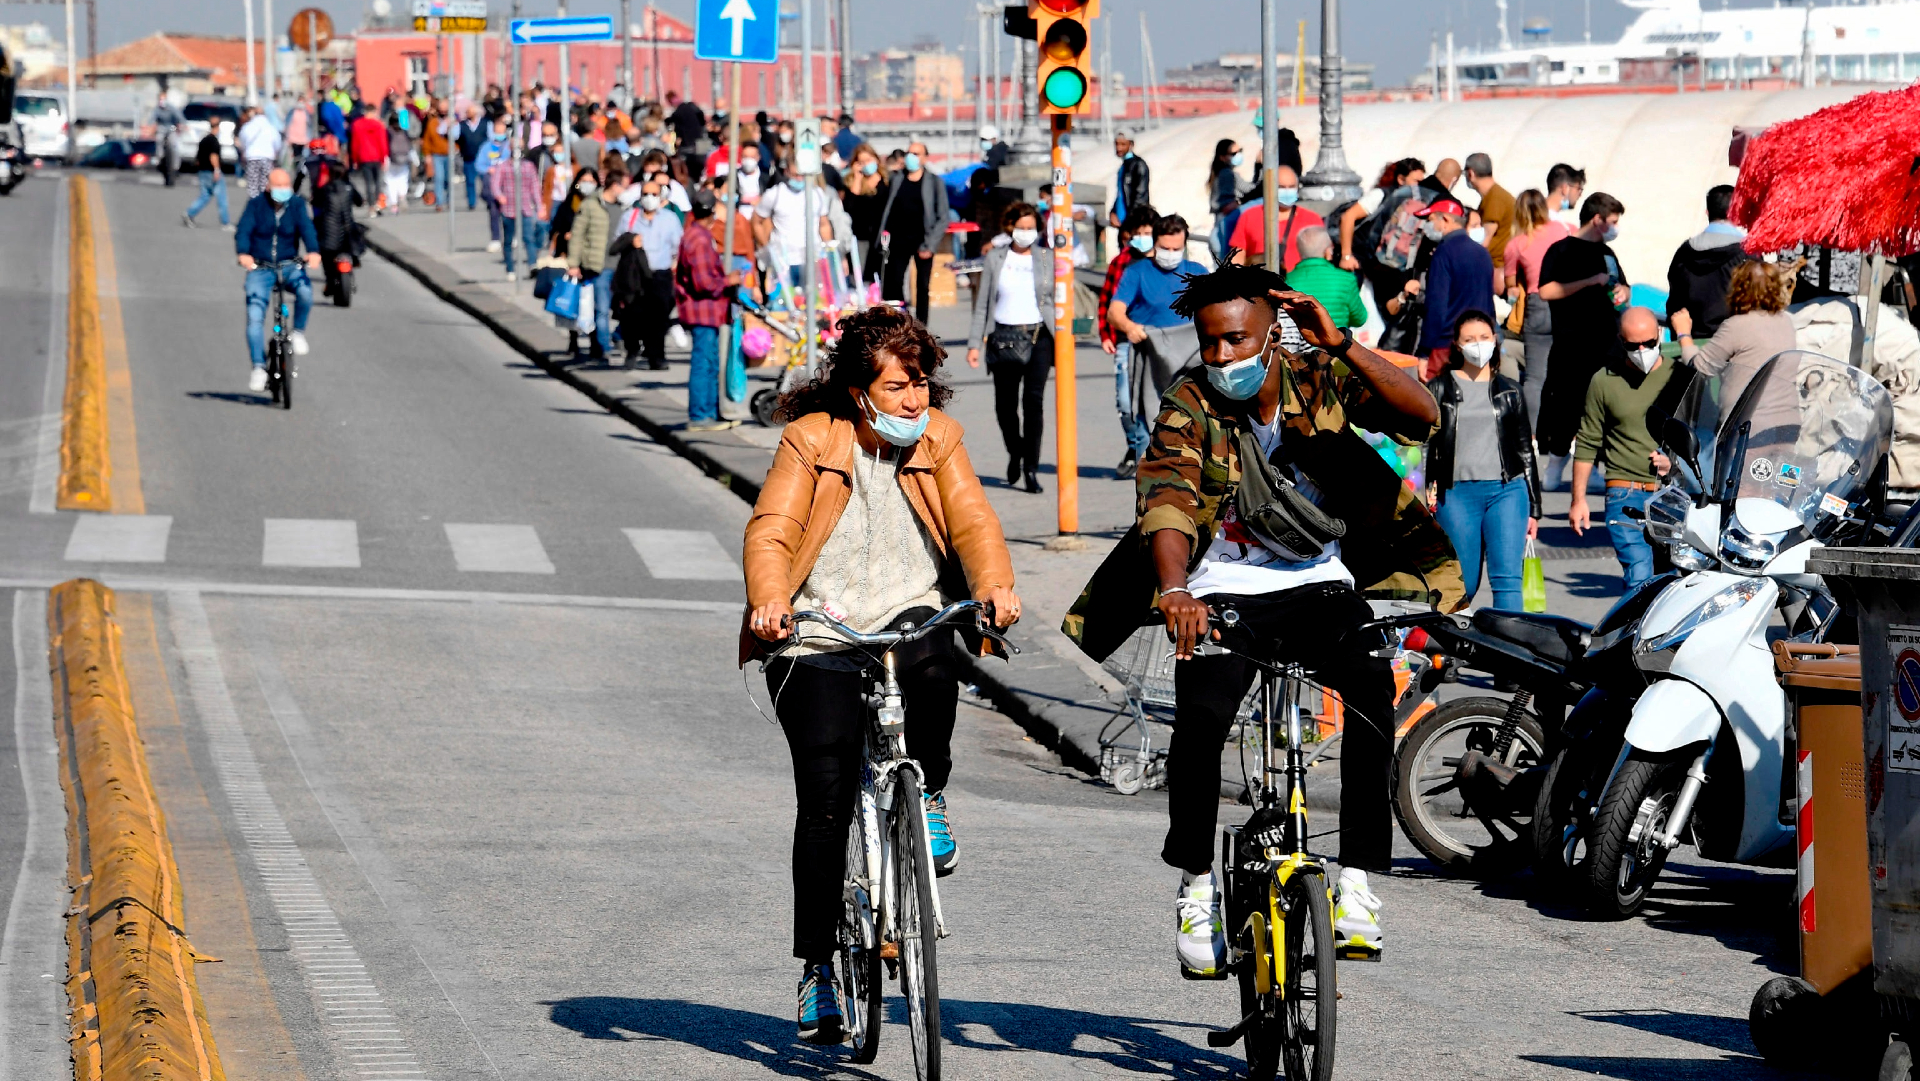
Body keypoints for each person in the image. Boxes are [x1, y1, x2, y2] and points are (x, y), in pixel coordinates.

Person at [1062, 265, 1460, 976]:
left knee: (1371, 695)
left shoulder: (1319, 375)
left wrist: (1343, 345)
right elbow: (1169, 498)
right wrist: (1177, 590)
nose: (1221, 358)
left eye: (1235, 341)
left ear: (1272, 336)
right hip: (1222, 592)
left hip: (1319, 585)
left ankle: (1360, 886)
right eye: (1209, 344)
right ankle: (1196, 885)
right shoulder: (1189, 401)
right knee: (1203, 718)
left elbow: (1421, 414)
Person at [744, 303, 1019, 1043]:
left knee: (936, 671)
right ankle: (817, 971)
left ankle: (927, 794)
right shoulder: (812, 439)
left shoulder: (940, 438)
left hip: (908, 612)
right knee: (826, 801)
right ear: (859, 389)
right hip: (816, 628)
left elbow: (973, 520)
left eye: (920, 383)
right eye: (896, 386)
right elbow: (772, 527)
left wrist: (994, 584)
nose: (912, 399)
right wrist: (771, 599)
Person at [1425, 311, 1540, 610]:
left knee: (1507, 581)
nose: (1479, 345)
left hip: (1507, 492)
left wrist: (1534, 508)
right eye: (1470, 339)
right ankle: (1454, 650)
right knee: (1464, 583)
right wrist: (1428, 488)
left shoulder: (1510, 390)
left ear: (1495, 341)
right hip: (1457, 495)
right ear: (1457, 345)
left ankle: (1508, 652)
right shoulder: (1438, 388)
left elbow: (1525, 450)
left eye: (1485, 338)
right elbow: (1427, 445)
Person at [1569, 307, 1674, 589]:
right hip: (1624, 494)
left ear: (1660, 336)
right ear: (1621, 341)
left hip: (1671, 494)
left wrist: (1673, 464)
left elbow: (1703, 434)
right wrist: (1578, 499)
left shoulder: (1679, 376)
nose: (1642, 350)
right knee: (1640, 577)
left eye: (1649, 343)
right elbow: (1587, 441)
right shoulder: (1604, 381)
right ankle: (1635, 632)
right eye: (1633, 345)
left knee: (1673, 581)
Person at [1536, 193, 1629, 483]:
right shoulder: (1561, 251)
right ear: (1597, 219)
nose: (1615, 228)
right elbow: (1546, 291)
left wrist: (1624, 291)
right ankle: (1555, 463)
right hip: (1571, 344)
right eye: (1612, 222)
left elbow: (1621, 285)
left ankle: (1594, 466)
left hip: (1606, 344)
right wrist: (1588, 282)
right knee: (1566, 408)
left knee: (1603, 408)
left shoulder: (1608, 254)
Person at [966, 202, 1055, 494]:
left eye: (1031, 228)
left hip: (1038, 336)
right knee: (1005, 407)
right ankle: (1015, 451)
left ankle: (1030, 467)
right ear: (1010, 227)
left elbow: (1058, 299)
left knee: (1033, 402)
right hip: (1002, 337)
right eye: (1021, 227)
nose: (1026, 233)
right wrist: (974, 343)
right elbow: (983, 303)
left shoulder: (1047, 258)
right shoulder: (996, 258)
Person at [1110, 215, 1210, 465]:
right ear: (1155, 245)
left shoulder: (1197, 273)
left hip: (1190, 357)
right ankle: (1147, 472)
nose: (1171, 253)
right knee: (1142, 414)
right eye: (1165, 248)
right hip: (1150, 354)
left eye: (1176, 249)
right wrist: (1130, 327)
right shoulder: (1137, 272)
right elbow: (1115, 312)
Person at [1671, 259, 1796, 416]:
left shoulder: (1737, 325)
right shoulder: (1786, 322)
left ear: (1739, 289)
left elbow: (1700, 368)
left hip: (1748, 426)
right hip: (1787, 421)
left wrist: (1684, 334)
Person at [234, 168, 322, 392]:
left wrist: (313, 251)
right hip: (261, 267)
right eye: (278, 186)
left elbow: (307, 229)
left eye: (286, 186)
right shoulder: (256, 205)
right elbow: (243, 230)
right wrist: (244, 253)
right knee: (254, 316)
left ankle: (298, 332)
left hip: (288, 264)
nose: (283, 190)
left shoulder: (297, 205)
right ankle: (259, 367)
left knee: (305, 292)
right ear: (267, 187)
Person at [1503, 188, 1571, 438]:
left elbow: (1510, 286)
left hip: (1537, 305)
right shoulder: (1560, 230)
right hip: (1565, 304)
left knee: (1534, 377)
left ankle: (1530, 436)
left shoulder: (1516, 244)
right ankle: (1568, 434)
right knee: (1566, 373)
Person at [1100, 205, 1159, 478]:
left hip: (1161, 341)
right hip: (1126, 341)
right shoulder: (1121, 262)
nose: (1143, 237)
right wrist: (1106, 335)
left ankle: (1149, 459)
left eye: (1148, 232)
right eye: (1138, 233)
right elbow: (1107, 301)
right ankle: (1136, 446)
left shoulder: (1164, 260)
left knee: (1157, 403)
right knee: (1125, 403)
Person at [1414, 197, 1495, 379]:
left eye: (1431, 220)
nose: (1429, 226)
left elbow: (1436, 306)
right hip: (1479, 345)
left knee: (1439, 401)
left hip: (1446, 345)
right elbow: (1489, 303)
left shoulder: (1443, 254)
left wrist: (1424, 352)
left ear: (1445, 220)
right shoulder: (1482, 253)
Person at [675, 189, 736, 431]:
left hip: (708, 311)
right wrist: (728, 280)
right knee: (704, 363)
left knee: (709, 362)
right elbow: (704, 283)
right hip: (703, 311)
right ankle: (701, 415)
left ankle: (708, 412)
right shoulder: (699, 239)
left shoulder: (696, 235)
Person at [613, 177, 684, 370]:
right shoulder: (631, 217)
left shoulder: (669, 219)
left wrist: (675, 264)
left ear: (660, 197)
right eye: (645, 194)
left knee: (659, 318)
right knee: (632, 316)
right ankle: (632, 349)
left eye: (653, 194)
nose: (649, 198)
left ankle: (657, 357)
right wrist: (630, 241)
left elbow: (679, 245)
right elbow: (616, 242)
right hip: (636, 276)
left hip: (660, 274)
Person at [1665, 184, 1750, 340]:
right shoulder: (1748, 254)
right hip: (1735, 346)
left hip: (1690, 344)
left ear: (1707, 212)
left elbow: (1674, 303)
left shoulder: (1683, 253)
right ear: (1737, 212)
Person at [878, 141, 948, 323]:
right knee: (895, 281)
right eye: (910, 153)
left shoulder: (934, 182)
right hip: (899, 239)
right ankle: (902, 321)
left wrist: (931, 244)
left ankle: (922, 325)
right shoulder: (897, 178)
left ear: (925, 158)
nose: (911, 157)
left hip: (923, 241)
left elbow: (943, 216)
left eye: (916, 154)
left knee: (922, 286)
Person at [566, 165, 624, 362]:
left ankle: (613, 340)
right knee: (601, 308)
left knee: (624, 309)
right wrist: (573, 263)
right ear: (614, 186)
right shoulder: (591, 205)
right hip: (599, 265)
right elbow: (578, 236)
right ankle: (603, 347)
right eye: (623, 187)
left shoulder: (624, 207)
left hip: (622, 267)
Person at [1226, 165, 1321, 272]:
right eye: (1281, 187)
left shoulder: (1312, 219)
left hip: (1298, 284)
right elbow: (1237, 256)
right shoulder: (1249, 216)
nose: (1287, 191)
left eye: (1291, 187)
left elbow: (1321, 256)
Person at [754, 173, 832, 291]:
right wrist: (767, 248)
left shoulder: (817, 193)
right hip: (783, 263)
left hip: (812, 260)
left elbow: (824, 225)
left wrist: (829, 255)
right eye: (795, 175)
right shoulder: (775, 194)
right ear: (787, 171)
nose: (799, 179)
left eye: (802, 175)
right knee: (783, 304)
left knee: (815, 302)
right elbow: (756, 222)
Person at [1284, 226, 1366, 330]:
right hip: (1336, 343)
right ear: (1328, 252)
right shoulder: (1346, 280)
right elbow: (1360, 318)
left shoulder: (1287, 280)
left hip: (1301, 344)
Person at [1462, 153, 1515, 294]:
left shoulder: (1495, 199)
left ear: (1470, 173)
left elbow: (1484, 240)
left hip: (1497, 270)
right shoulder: (1495, 196)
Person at [311, 156, 361, 302]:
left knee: (326, 258)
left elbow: (316, 202)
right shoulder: (349, 187)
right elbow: (359, 201)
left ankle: (329, 281)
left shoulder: (325, 188)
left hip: (329, 231)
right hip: (347, 231)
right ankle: (354, 262)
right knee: (353, 248)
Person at [494, 149, 546, 280]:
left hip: (525, 208)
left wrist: (539, 207)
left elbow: (534, 187)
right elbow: (495, 184)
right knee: (508, 241)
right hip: (508, 209)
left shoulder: (528, 167)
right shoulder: (503, 166)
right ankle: (510, 269)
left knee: (529, 239)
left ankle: (532, 265)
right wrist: (500, 196)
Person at [842, 144, 887, 284]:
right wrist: (857, 178)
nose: (866, 165)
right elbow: (848, 207)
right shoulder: (852, 183)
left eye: (868, 160)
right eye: (861, 162)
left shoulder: (886, 181)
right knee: (859, 277)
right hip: (860, 236)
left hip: (881, 236)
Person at [182, 129, 232, 229]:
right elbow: (213, 156)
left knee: (205, 195)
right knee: (222, 198)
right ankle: (225, 223)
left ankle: (189, 213)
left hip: (202, 171)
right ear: (217, 128)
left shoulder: (203, 141)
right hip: (211, 171)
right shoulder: (214, 141)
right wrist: (217, 170)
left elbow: (197, 159)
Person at [1206, 139, 1245, 260]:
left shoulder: (1220, 174)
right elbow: (1228, 204)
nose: (1238, 155)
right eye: (1233, 154)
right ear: (1222, 157)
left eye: (1240, 151)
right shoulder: (1227, 174)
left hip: (1218, 233)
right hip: (1225, 234)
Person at [237, 105, 283, 200]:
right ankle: (264, 204)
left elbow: (242, 140)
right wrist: (275, 153)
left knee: (253, 186)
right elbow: (278, 143)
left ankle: (254, 205)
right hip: (267, 157)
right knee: (265, 184)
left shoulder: (248, 126)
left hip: (252, 157)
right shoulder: (271, 127)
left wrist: (245, 151)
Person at [348, 106, 389, 213]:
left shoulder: (357, 125)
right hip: (377, 156)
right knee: (378, 182)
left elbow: (355, 143)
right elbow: (382, 142)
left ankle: (371, 206)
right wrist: (384, 158)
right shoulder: (379, 125)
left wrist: (355, 159)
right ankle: (377, 203)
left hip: (364, 156)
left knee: (369, 182)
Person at [1109, 130, 1151, 230]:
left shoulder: (1138, 165)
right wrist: (1113, 212)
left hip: (1132, 225)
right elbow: (1121, 194)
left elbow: (1140, 197)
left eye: (1123, 144)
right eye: (1117, 144)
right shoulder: (1123, 166)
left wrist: (1131, 221)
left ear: (1131, 145)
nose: (1119, 148)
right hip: (1122, 224)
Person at [456, 103, 490, 212]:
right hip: (468, 157)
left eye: (469, 112)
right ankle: (472, 203)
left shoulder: (485, 123)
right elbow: (454, 136)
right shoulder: (462, 125)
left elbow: (491, 139)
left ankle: (489, 200)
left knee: (486, 181)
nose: (467, 114)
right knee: (470, 182)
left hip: (483, 159)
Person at [421, 98, 452, 209]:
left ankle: (450, 201)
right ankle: (439, 202)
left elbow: (459, 138)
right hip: (437, 155)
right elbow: (427, 140)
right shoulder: (432, 123)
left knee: (448, 179)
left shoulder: (452, 121)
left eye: (445, 110)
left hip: (450, 154)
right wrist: (427, 155)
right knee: (439, 178)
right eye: (441, 110)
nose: (443, 113)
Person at [382, 111, 413, 213]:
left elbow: (385, 145)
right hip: (404, 158)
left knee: (391, 181)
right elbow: (409, 145)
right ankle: (402, 196)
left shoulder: (388, 132)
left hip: (391, 159)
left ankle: (394, 204)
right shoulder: (404, 131)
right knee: (403, 179)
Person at [1544, 162, 1586, 228]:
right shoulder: (1556, 225)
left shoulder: (1530, 213)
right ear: (1565, 189)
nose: (1580, 195)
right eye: (1578, 189)